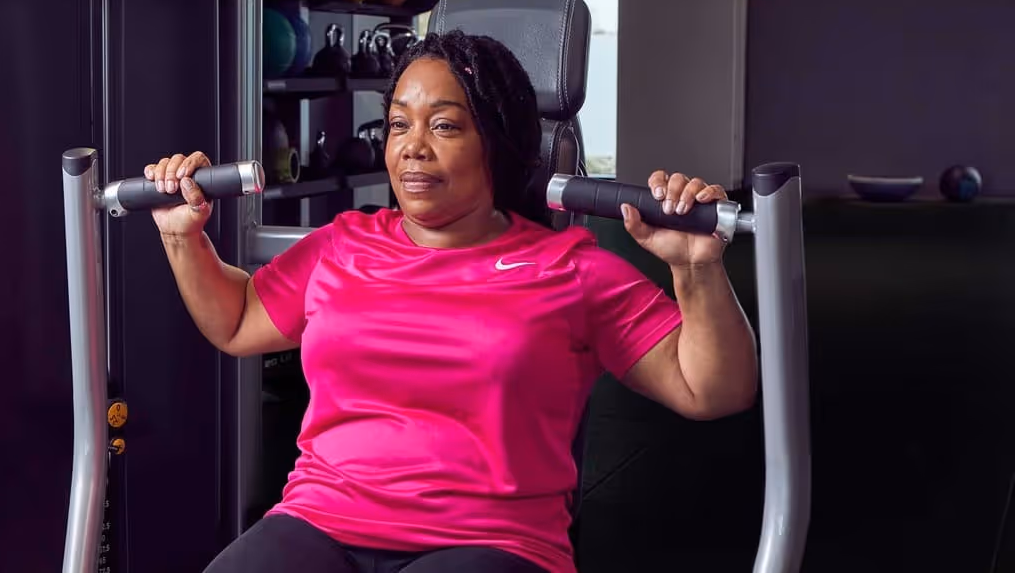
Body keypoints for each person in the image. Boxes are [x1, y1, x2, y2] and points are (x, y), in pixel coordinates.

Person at [145, 31, 758, 573]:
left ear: (496, 141)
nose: (413, 147)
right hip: (322, 519)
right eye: (398, 125)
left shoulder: (570, 269)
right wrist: (182, 236)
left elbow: (712, 389)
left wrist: (695, 268)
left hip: (492, 540)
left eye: (444, 125)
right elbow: (237, 319)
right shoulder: (343, 244)